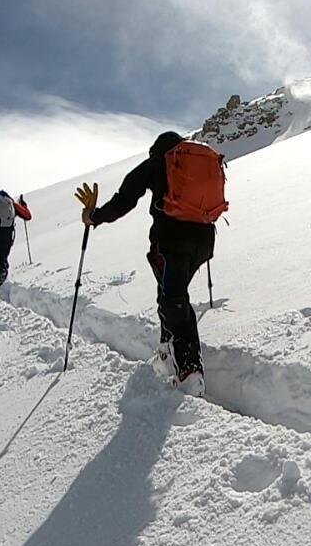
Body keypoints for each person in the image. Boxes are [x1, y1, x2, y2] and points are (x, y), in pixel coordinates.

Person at [81, 131, 220, 389]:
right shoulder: (198, 161)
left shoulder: (159, 160)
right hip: (203, 242)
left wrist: (95, 217)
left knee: (173, 299)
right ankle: (168, 353)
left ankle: (189, 370)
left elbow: (124, 199)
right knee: (170, 295)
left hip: (171, 242)